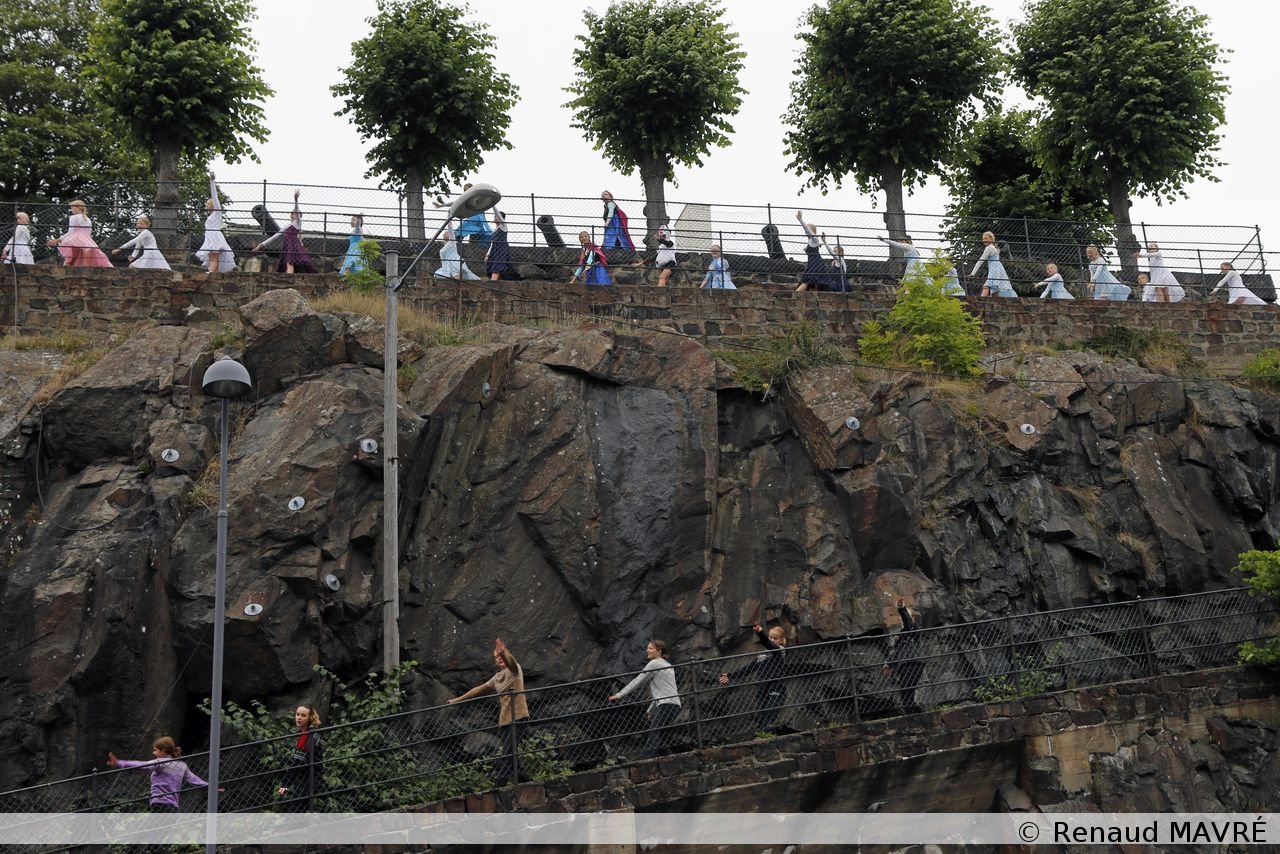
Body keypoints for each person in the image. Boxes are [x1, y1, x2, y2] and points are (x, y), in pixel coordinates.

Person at [447, 637, 530, 786]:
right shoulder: (497, 678)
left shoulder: (515, 670)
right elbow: (478, 690)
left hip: (519, 717)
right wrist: (458, 700)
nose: (499, 659)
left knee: (508, 753)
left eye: (501, 656)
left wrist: (503, 652)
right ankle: (527, 781)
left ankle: (499, 785)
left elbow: (511, 661)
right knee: (511, 754)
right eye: (497, 657)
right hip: (504, 721)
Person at [608, 639, 681, 759]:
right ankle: (671, 759)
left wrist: (619, 695)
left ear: (659, 651)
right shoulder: (668, 665)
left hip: (666, 704)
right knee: (660, 734)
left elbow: (638, 681)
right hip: (673, 704)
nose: (647, 650)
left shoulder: (655, 663)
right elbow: (662, 691)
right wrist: (650, 710)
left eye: (650, 648)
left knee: (654, 731)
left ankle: (645, 760)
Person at [107, 736, 209, 812]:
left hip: (159, 803)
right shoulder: (182, 766)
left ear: (163, 750)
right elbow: (195, 780)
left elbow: (143, 765)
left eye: (156, 750)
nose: (154, 753)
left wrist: (120, 763)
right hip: (173, 807)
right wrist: (210, 787)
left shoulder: (161, 762)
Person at [718, 623, 788, 732]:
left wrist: (760, 633)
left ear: (780, 641)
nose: (772, 640)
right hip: (762, 688)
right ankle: (763, 734)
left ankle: (768, 734)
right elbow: (748, 668)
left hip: (775, 687)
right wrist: (729, 675)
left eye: (775, 638)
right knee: (760, 715)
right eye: (770, 637)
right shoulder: (762, 655)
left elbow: (769, 644)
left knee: (770, 713)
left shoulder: (780, 651)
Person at [253, 189, 317, 274]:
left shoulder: (297, 223)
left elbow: (297, 209)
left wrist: (296, 200)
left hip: (294, 244)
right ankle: (289, 276)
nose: (293, 214)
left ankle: (291, 275)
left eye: (295, 213)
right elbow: (274, 237)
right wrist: (261, 245)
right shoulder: (286, 226)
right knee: (288, 262)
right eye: (292, 213)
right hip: (287, 245)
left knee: (293, 262)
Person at [882, 597, 924, 715]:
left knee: (906, 692)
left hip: (913, 663)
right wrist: (888, 664)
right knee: (905, 693)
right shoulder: (900, 636)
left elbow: (908, 622)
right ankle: (915, 713)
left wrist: (901, 608)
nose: (902, 619)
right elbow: (896, 651)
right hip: (904, 666)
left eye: (904, 617)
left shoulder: (912, 630)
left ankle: (914, 713)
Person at [278, 704, 324, 812]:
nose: (299, 717)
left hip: (307, 779)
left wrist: (285, 784)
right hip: (306, 778)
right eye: (297, 714)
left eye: (303, 715)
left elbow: (298, 762)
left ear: (309, 718)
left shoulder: (308, 735)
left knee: (296, 810)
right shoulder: (306, 734)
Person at [46, 200, 112, 267]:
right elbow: (89, 232)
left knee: (71, 259)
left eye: (72, 208)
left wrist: (57, 240)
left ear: (77, 208)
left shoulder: (73, 217)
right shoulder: (88, 219)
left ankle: (67, 267)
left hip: (75, 239)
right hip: (87, 240)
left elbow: (71, 232)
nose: (71, 210)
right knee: (86, 259)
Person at [795, 211, 847, 292]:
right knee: (811, 282)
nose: (807, 230)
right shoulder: (810, 241)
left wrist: (801, 220)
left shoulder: (815, 239)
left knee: (807, 281)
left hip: (816, 263)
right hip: (811, 263)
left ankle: (795, 294)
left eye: (810, 229)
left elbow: (807, 230)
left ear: (813, 231)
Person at [196, 173, 235, 273]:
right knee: (212, 257)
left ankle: (211, 273)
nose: (207, 206)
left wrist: (212, 182)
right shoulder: (210, 216)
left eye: (208, 204)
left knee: (214, 257)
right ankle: (214, 273)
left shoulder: (217, 213)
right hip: (209, 237)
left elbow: (215, 196)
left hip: (215, 237)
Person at [969, 232, 1015, 297]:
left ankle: (981, 300)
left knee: (987, 286)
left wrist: (973, 273)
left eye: (985, 238)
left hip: (994, 269)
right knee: (994, 288)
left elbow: (981, 260)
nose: (983, 240)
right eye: (983, 239)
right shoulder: (995, 248)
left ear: (991, 238)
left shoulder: (989, 248)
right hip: (999, 269)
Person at [485, 210, 521, 281]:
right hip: (495, 250)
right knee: (496, 266)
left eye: (497, 216)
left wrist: (492, 205)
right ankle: (500, 281)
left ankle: (492, 283)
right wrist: (488, 253)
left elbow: (498, 215)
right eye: (495, 216)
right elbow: (492, 243)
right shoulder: (494, 230)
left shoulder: (503, 226)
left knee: (497, 266)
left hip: (501, 249)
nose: (495, 217)